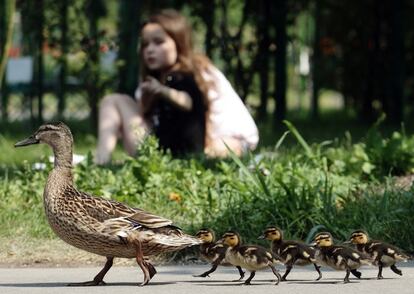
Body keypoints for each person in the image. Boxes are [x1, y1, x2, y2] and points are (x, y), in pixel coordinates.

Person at [95, 9, 258, 164]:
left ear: (179, 43)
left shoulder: (198, 73)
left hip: (221, 140)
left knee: (215, 151)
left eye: (159, 42)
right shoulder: (153, 79)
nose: (150, 49)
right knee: (113, 100)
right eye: (145, 44)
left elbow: (200, 114)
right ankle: (102, 159)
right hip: (167, 150)